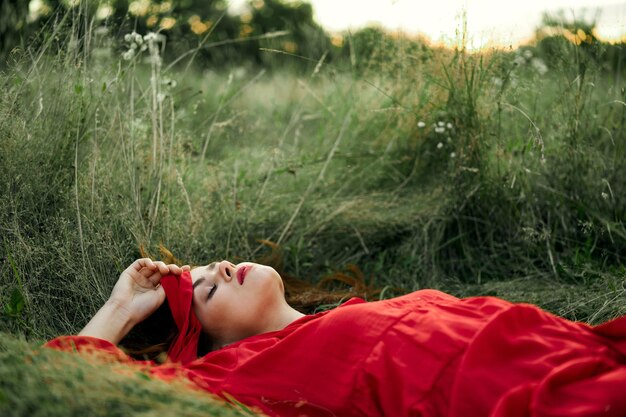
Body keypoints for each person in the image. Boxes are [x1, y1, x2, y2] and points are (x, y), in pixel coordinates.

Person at [46, 258, 626, 417]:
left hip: (572, 351)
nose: (221, 267)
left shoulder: (345, 315)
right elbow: (77, 390)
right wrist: (120, 309)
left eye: (210, 265)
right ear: (211, 346)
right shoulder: (235, 375)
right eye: (207, 292)